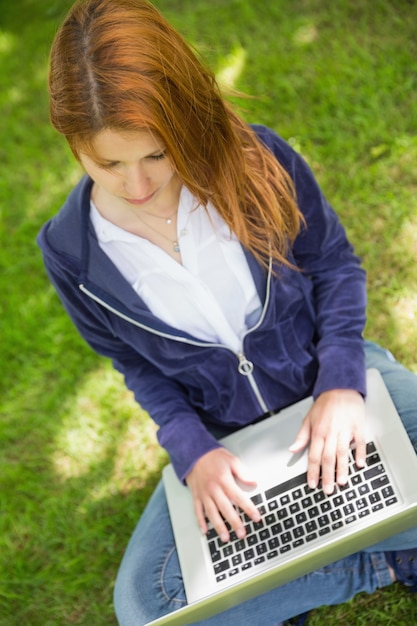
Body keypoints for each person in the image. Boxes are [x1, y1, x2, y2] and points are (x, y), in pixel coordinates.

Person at [37, 0, 417, 624]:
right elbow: (136, 365)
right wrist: (193, 450)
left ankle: (292, 577)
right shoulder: (69, 250)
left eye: (157, 155)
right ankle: (376, 560)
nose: (136, 186)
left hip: (337, 378)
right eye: (109, 164)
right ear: (73, 143)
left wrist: (342, 384)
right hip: (226, 439)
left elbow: (335, 266)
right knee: (144, 606)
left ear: (185, 120)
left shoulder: (256, 159)